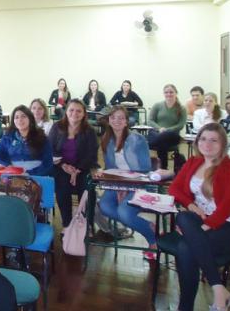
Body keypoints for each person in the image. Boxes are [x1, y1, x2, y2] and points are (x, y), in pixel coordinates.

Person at [168, 123, 230, 311]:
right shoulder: (193, 162)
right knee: (184, 218)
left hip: (228, 224)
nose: (207, 144)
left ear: (223, 144)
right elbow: (174, 188)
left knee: (185, 247)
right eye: (203, 139)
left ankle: (187, 306)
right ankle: (220, 290)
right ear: (197, 141)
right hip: (201, 219)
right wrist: (190, 206)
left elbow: (229, 206)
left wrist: (199, 230)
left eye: (214, 140)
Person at [98, 106, 156, 257]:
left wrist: (126, 187)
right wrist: (105, 175)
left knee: (124, 212)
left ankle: (152, 237)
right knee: (104, 206)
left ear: (126, 122)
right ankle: (147, 226)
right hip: (118, 183)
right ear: (109, 120)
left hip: (140, 184)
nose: (116, 121)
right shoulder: (107, 140)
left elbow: (145, 169)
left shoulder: (137, 139)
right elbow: (110, 168)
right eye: (113, 118)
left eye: (121, 118)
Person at [48, 99, 99, 227]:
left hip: (83, 168)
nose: (74, 113)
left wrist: (77, 170)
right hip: (62, 167)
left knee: (89, 191)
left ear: (83, 114)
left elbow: (92, 154)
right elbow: (50, 150)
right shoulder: (57, 127)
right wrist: (62, 165)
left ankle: (87, 224)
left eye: (78, 111)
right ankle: (67, 224)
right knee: (62, 188)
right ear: (66, 112)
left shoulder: (89, 131)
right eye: (71, 110)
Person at [0, 105, 53, 176]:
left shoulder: (42, 138)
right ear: (13, 121)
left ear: (30, 119)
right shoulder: (7, 137)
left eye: (23, 116)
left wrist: (28, 174)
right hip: (13, 177)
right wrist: (7, 166)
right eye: (16, 117)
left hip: (37, 178)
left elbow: (48, 164)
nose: (20, 120)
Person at [148, 84, 187, 170]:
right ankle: (163, 168)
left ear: (176, 93)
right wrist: (159, 129)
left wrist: (166, 130)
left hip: (173, 135)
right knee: (162, 141)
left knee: (162, 138)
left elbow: (181, 125)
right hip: (157, 133)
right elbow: (150, 121)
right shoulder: (157, 105)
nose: (168, 94)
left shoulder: (182, 108)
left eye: (171, 92)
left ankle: (162, 167)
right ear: (163, 94)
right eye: (166, 92)